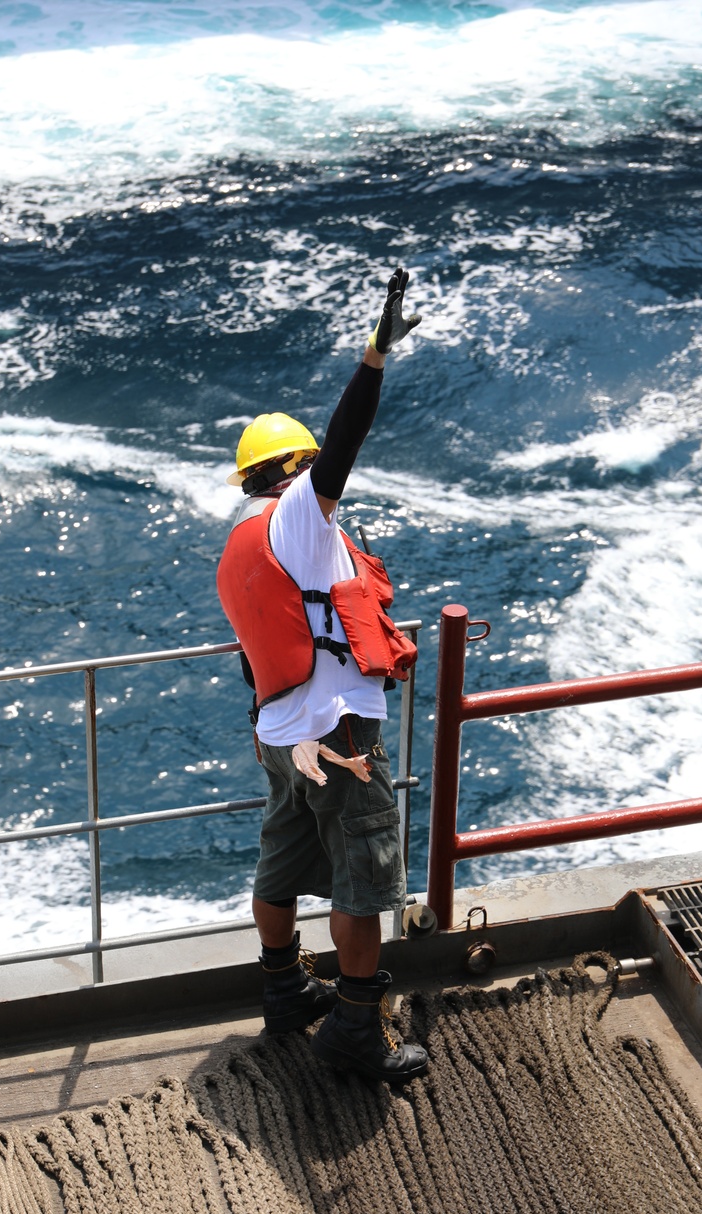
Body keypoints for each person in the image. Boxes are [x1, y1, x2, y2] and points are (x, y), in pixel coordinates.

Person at [216, 267, 428, 1084]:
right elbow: (347, 439)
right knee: (365, 874)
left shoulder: (241, 539)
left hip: (279, 733)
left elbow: (258, 650)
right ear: (296, 468)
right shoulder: (302, 515)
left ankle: (283, 990)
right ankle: (355, 1026)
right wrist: (373, 356)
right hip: (338, 731)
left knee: (283, 852)